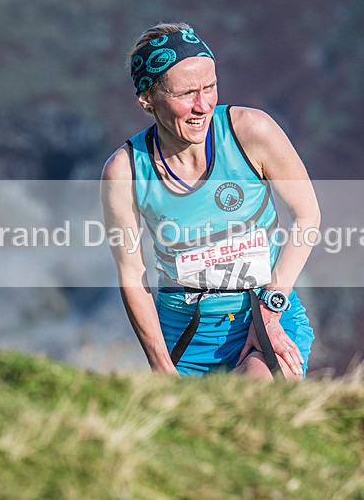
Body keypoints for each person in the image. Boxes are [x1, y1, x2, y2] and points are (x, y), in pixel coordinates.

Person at [101, 22, 319, 380]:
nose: (202, 105)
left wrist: (270, 311)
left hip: (262, 312)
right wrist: (161, 366)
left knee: (254, 406)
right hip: (184, 335)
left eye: (210, 87)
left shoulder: (251, 132)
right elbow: (131, 273)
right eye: (186, 93)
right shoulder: (124, 171)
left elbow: (307, 217)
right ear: (147, 98)